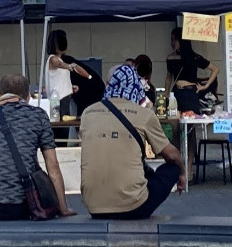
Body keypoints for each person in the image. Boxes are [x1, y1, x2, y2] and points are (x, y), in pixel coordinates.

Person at [79, 64, 184, 219]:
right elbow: (171, 155)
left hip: (94, 207)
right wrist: (182, 172)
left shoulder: (87, 113)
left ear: (109, 85)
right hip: (134, 207)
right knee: (172, 168)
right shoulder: (144, 115)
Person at [0, 74, 73, 220]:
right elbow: (52, 166)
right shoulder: (38, 115)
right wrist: (63, 208)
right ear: (28, 97)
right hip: (24, 206)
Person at [167, 28, 214, 114]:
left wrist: (205, 86)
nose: (172, 43)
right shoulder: (170, 58)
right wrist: (166, 94)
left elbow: (215, 69)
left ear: (181, 40)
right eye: (171, 40)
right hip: (176, 92)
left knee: (190, 119)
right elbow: (169, 77)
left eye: (175, 40)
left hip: (190, 92)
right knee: (174, 118)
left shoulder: (194, 57)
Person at [45, 30, 93, 115]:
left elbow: (58, 79)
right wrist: (69, 66)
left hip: (64, 98)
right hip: (57, 100)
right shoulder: (53, 59)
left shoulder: (59, 59)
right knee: (60, 125)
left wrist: (69, 86)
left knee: (65, 124)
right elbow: (58, 64)